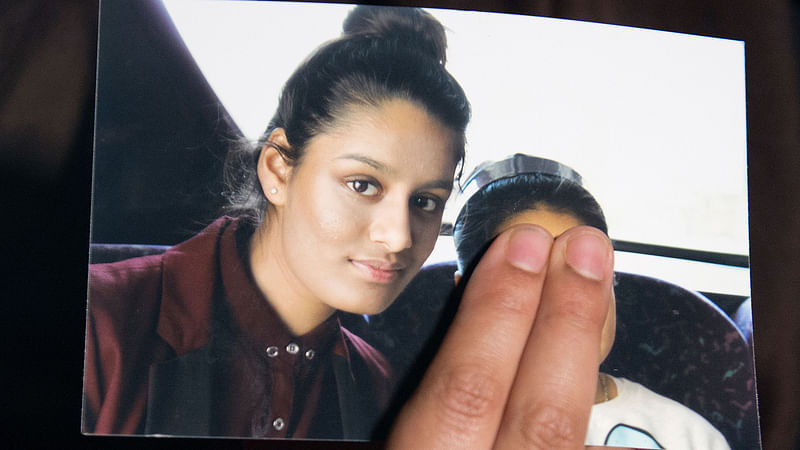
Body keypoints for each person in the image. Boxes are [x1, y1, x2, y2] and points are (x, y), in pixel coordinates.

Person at [84, 5, 617, 447]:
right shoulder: (97, 324)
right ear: (277, 170)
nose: (400, 237)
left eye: (426, 201)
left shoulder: (373, 383)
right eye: (363, 184)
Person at [451, 153, 731, 449]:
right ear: (464, 295)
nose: (566, 306)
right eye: (529, 276)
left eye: (585, 273)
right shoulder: (446, 430)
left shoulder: (689, 437)